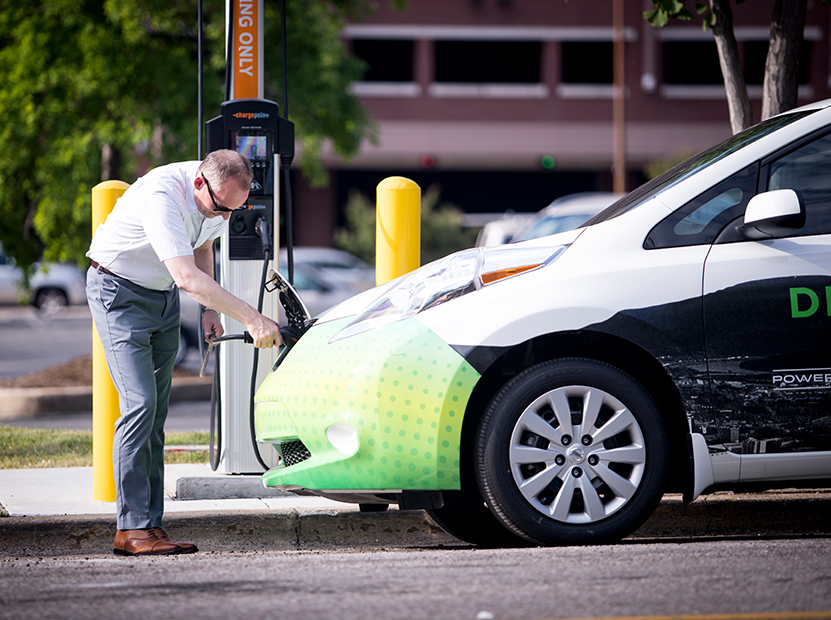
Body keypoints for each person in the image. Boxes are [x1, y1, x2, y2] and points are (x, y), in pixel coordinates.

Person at [86, 149, 283, 556]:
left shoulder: (215, 200)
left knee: (156, 411)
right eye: (221, 207)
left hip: (162, 299)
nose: (225, 218)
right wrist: (252, 317)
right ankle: (130, 528)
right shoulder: (162, 194)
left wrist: (209, 310)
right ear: (199, 182)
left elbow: (203, 249)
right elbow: (186, 276)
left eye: (235, 210)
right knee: (139, 405)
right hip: (117, 292)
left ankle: (150, 524)